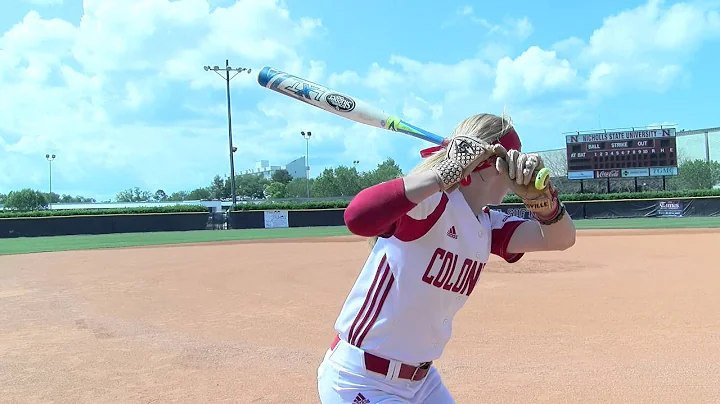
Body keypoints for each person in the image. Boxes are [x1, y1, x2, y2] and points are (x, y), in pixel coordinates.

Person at [316, 113, 577, 403]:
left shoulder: (487, 224)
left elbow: (561, 239)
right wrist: (445, 172)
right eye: (510, 162)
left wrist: (543, 201)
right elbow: (357, 217)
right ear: (484, 168)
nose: (517, 173)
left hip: (422, 382)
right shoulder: (432, 204)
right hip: (360, 379)